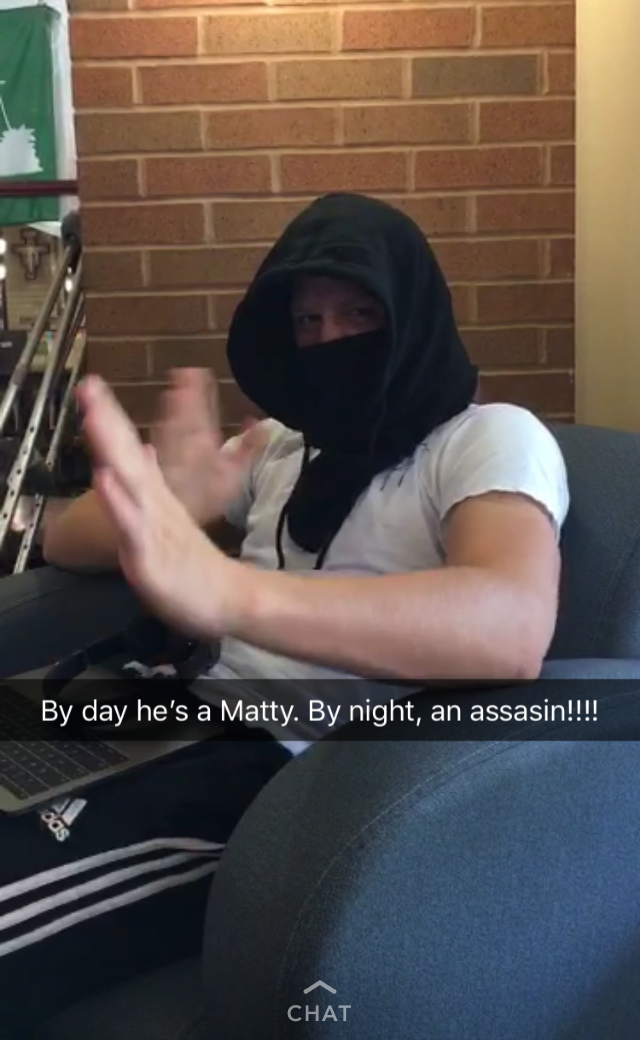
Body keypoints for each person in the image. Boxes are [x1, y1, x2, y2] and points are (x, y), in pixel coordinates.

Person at [0, 194, 569, 1032]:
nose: (331, 340)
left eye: (360, 314)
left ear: (411, 312)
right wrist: (163, 500)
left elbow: (512, 625)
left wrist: (224, 590)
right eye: (308, 320)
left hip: (287, 771)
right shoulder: (284, 443)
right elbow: (73, 541)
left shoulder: (485, 437)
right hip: (169, 706)